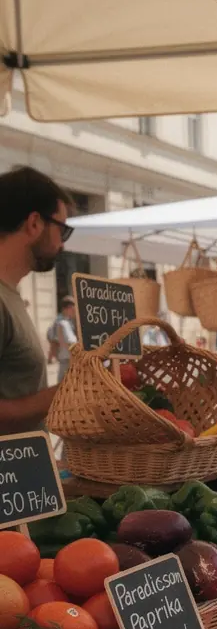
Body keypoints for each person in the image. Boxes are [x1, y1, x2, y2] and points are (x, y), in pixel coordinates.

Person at [0, 166, 72, 435]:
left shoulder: (11, 296)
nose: (63, 244)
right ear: (34, 224)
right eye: (62, 231)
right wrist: (65, 392)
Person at [47, 296, 78, 384]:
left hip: (67, 361)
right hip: (67, 361)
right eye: (73, 309)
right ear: (68, 308)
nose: (75, 311)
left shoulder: (67, 321)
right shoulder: (62, 323)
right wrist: (50, 358)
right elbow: (55, 342)